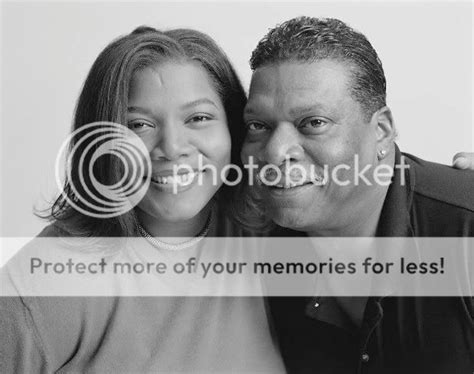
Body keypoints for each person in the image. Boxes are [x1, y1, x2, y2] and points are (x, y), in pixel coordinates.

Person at [0, 26, 285, 373]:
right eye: (138, 125)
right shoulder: (44, 286)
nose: (173, 147)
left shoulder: (265, 233)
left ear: (233, 128)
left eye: (198, 118)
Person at [239, 16, 473, 374]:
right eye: (259, 125)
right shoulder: (255, 249)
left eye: (313, 123)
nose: (274, 151)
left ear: (381, 130)